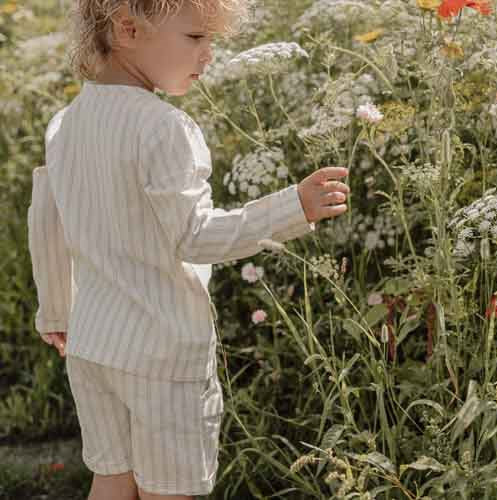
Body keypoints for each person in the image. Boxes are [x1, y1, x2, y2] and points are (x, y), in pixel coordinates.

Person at [26, 1, 350, 499]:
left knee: (113, 478)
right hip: (161, 353)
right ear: (128, 29)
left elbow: (47, 222)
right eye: (196, 39)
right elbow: (195, 237)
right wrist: (293, 207)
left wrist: (56, 311)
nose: (210, 54)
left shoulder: (65, 123)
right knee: (169, 490)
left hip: (93, 345)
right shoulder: (164, 129)